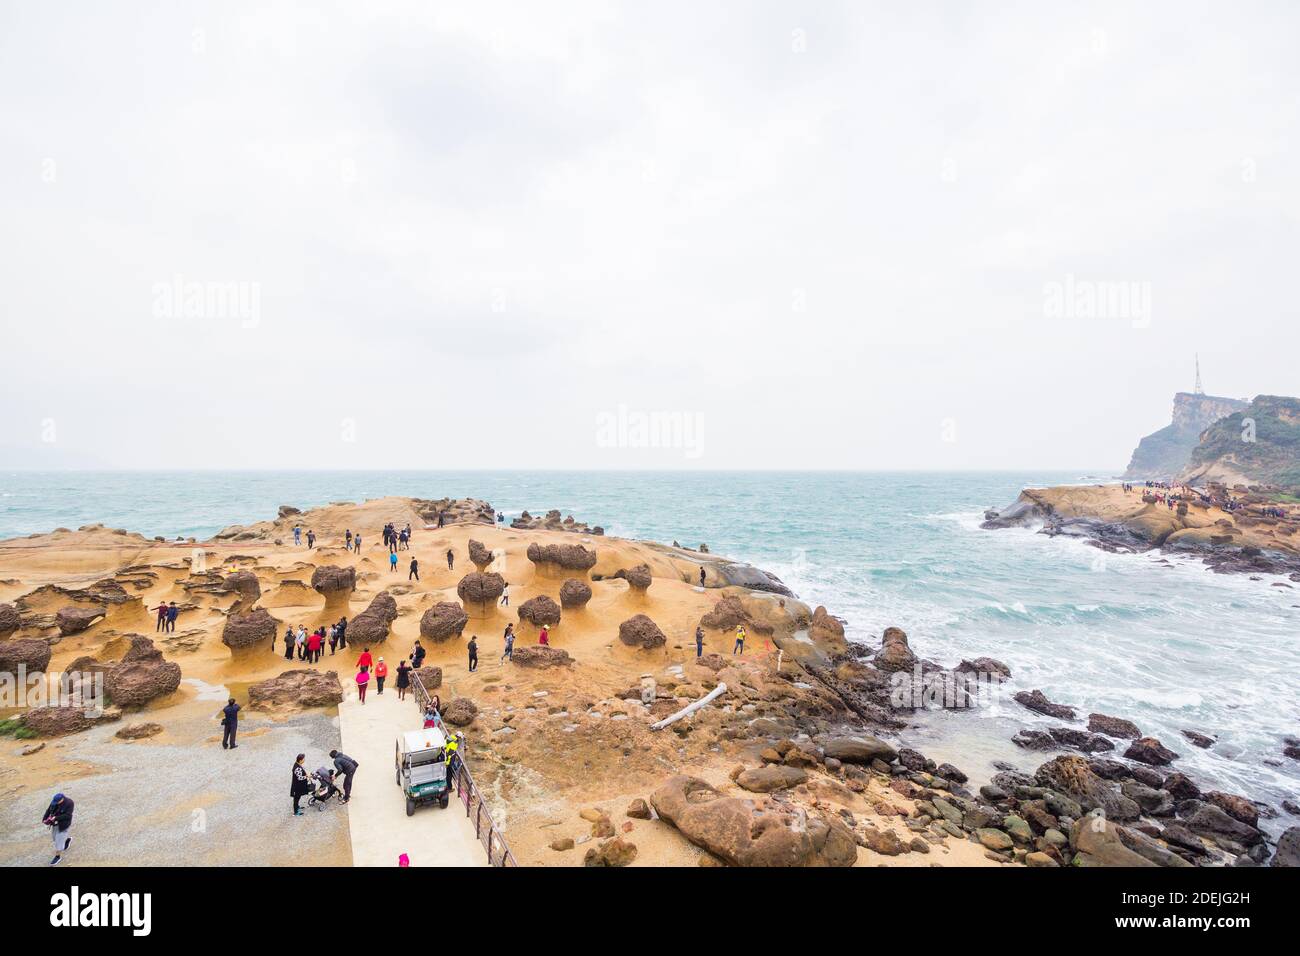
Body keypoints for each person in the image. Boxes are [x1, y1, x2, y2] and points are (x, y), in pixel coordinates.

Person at [43, 793, 74, 865]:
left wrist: (55, 818)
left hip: (63, 824)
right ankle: (67, 840)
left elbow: (68, 816)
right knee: (55, 838)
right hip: (55, 824)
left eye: (57, 802)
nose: (56, 803)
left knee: (58, 842)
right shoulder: (55, 801)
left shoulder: (69, 803)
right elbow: (48, 810)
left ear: (62, 799)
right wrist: (44, 819)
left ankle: (57, 856)